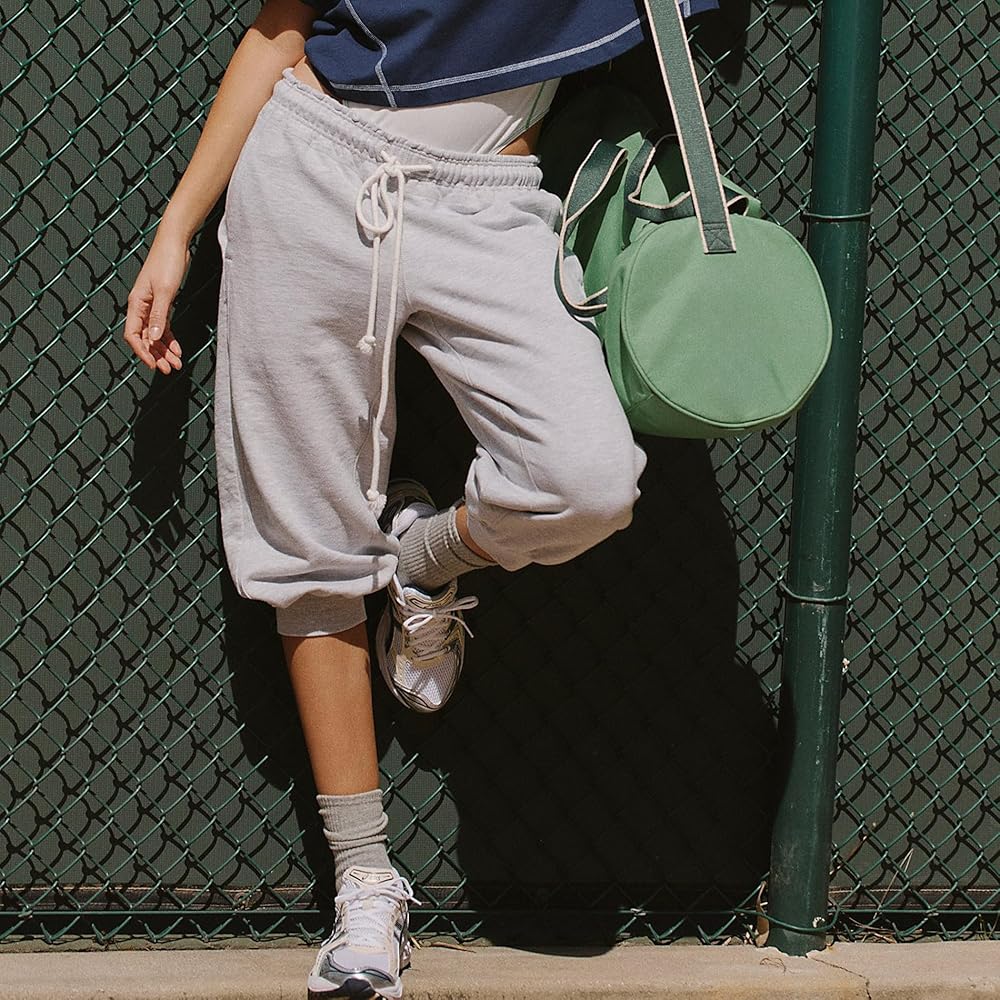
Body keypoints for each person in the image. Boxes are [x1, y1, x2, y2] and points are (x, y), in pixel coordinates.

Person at [123, 2, 716, 996]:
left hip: (489, 198)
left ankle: (420, 555)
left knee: (586, 479)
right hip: (314, 169)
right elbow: (279, 28)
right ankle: (364, 886)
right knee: (307, 538)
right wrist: (176, 230)